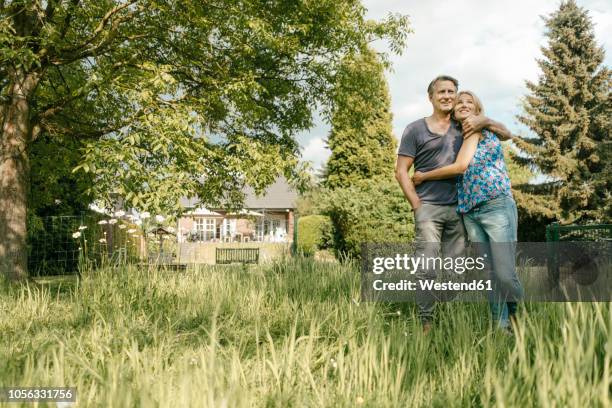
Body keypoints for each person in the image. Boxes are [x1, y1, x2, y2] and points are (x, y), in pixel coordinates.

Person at [395, 76, 512, 334]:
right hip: (428, 209)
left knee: (454, 273)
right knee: (426, 267)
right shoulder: (415, 129)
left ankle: (447, 313)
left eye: (452, 91)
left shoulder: (465, 127)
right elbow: (402, 171)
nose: (447, 96)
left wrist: (487, 120)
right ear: (431, 97)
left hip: (460, 210)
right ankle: (427, 322)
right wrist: (416, 203)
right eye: (442, 92)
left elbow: (505, 134)